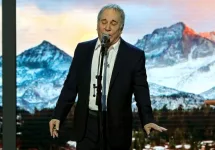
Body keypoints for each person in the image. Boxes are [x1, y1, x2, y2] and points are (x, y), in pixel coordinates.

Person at [49, 3, 167, 150]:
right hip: (87, 126)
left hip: (116, 127)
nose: (107, 27)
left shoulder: (134, 55)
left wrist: (147, 120)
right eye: (103, 22)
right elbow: (70, 86)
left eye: (113, 23)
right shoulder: (83, 50)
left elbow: (141, 91)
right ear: (97, 25)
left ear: (121, 28)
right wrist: (58, 115)